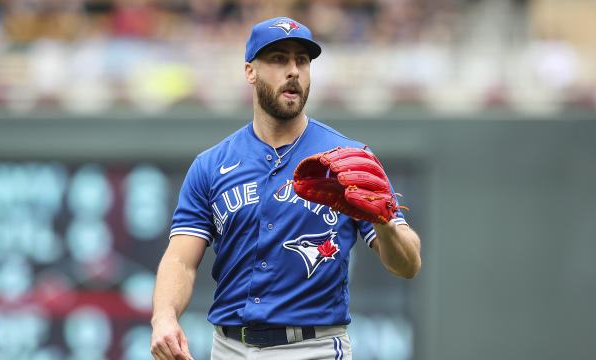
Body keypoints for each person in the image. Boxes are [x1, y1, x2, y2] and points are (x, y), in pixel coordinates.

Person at [150, 16, 421, 360]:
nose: (293, 70)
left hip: (315, 348)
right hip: (229, 348)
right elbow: (181, 261)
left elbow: (408, 264)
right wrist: (163, 318)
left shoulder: (350, 160)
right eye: (278, 59)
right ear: (250, 71)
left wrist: (383, 223)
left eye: (302, 61)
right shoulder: (211, 165)